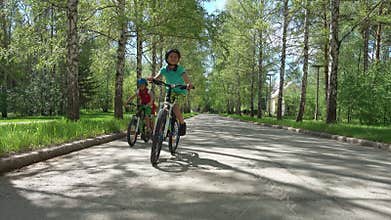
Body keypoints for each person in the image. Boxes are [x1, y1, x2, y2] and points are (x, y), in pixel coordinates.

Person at [148, 49, 194, 136]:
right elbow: (157, 77)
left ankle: (182, 124)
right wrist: (153, 79)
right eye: (171, 56)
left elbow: (186, 78)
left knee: (175, 107)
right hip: (170, 91)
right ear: (167, 58)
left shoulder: (180, 69)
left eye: (175, 57)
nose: (173, 58)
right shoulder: (164, 69)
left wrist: (189, 84)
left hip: (180, 91)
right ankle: (165, 125)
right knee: (165, 107)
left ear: (178, 59)